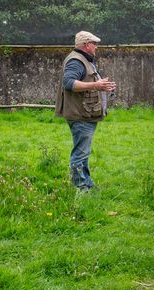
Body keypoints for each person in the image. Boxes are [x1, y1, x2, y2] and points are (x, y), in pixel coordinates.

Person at [55, 31, 116, 192]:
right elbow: (69, 83)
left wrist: (103, 86)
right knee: (80, 154)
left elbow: (87, 82)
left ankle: (87, 182)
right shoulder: (76, 61)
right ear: (87, 44)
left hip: (85, 114)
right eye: (94, 44)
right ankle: (80, 188)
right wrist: (96, 85)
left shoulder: (84, 60)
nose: (96, 47)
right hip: (80, 115)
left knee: (83, 152)